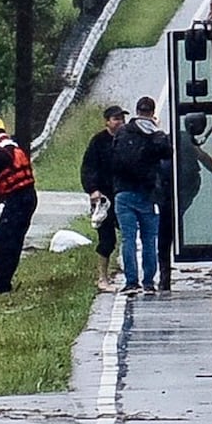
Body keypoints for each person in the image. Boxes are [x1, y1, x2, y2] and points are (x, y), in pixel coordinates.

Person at [111, 96, 172, 295]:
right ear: (152, 112)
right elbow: (168, 155)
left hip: (124, 192)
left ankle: (131, 282)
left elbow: (114, 158)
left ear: (137, 111)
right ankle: (149, 282)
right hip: (148, 194)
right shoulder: (157, 135)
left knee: (128, 238)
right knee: (149, 239)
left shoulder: (122, 132)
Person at [0, 115, 37, 294]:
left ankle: (2, 286)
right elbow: (12, 181)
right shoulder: (14, 145)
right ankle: (5, 283)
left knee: (3, 243)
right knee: (15, 241)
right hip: (29, 199)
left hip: (17, 203)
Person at [79, 104, 127, 291]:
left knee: (130, 234)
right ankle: (102, 278)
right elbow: (88, 168)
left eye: (122, 118)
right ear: (107, 121)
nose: (120, 122)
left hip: (124, 194)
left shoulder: (127, 139)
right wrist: (92, 190)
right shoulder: (98, 142)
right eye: (116, 119)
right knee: (107, 239)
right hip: (104, 198)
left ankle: (132, 275)